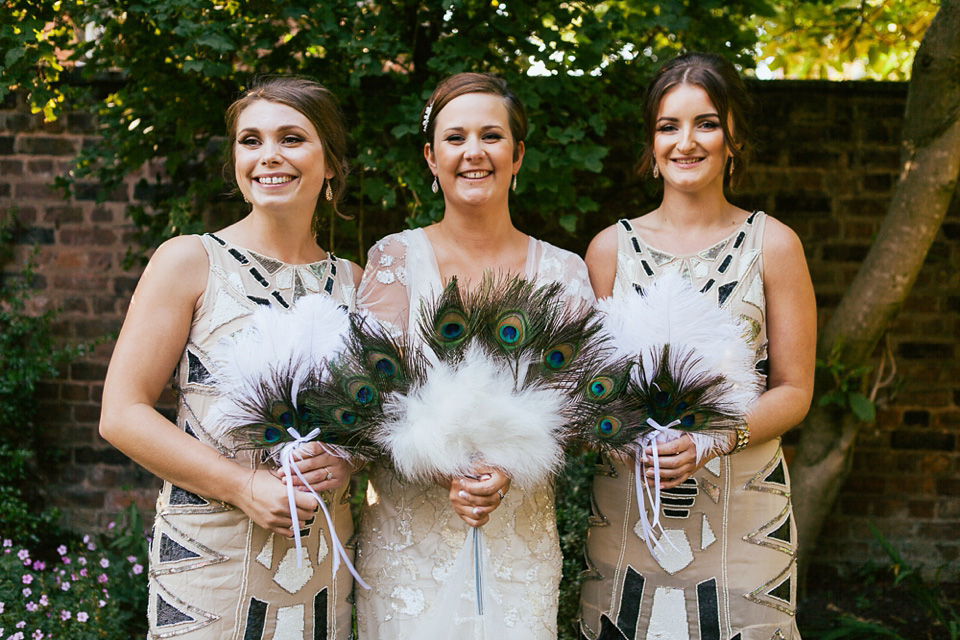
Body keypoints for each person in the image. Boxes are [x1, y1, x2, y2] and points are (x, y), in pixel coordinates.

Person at [99, 76, 362, 639]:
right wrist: (239, 485)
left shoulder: (355, 283)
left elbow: (373, 424)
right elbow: (122, 413)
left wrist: (347, 463)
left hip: (321, 561)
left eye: (292, 139)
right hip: (209, 555)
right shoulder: (191, 261)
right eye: (250, 141)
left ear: (331, 164)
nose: (268, 156)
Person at [579, 52, 816, 640]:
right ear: (651, 145)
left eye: (706, 123)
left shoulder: (775, 245)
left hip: (746, 513)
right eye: (669, 126)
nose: (687, 141)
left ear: (733, 138)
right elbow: (583, 392)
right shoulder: (608, 251)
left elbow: (796, 389)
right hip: (629, 508)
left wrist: (713, 440)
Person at [353, 72, 595, 639]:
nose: (473, 152)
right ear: (431, 158)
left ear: (518, 155)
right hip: (408, 543)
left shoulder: (563, 272)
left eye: (491, 136)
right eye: (455, 138)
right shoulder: (394, 259)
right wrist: (444, 469)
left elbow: (581, 408)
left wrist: (512, 463)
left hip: (519, 542)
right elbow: (368, 404)